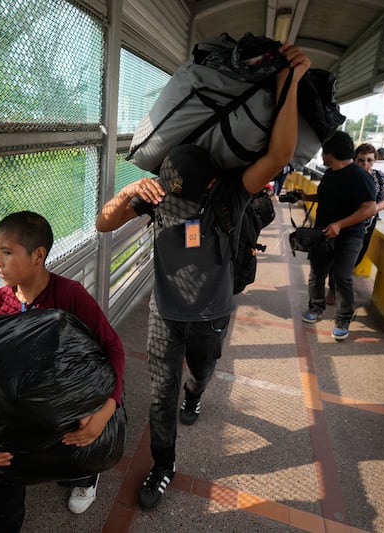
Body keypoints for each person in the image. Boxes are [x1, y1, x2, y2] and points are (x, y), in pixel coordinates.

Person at [95, 44, 311, 510]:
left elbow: (279, 155)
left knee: (203, 370)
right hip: (164, 312)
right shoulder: (159, 194)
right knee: (159, 393)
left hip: (212, 312)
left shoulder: (230, 193)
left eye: (187, 203)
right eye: (174, 201)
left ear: (211, 187)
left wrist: (289, 84)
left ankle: (196, 393)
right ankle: (163, 464)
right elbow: (103, 223)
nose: (178, 210)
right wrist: (130, 190)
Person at [0, 211, 126, 532]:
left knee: (79, 441)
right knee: (5, 470)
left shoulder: (69, 296)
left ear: (38, 255)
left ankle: (85, 477)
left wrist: (107, 408)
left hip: (64, 401)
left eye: (7, 252)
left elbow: (113, 349)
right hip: (21, 406)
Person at [296, 132, 376, 340]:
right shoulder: (331, 173)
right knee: (317, 272)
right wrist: (306, 196)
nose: (322, 156)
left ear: (331, 153)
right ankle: (315, 307)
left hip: (350, 235)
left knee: (342, 275)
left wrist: (340, 224)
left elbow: (369, 208)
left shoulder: (360, 176)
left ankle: (343, 317)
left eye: (324, 151)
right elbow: (325, 197)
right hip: (324, 233)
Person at [325, 143, 384, 304]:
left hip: (367, 226)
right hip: (346, 224)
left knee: (356, 258)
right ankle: (333, 287)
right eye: (361, 160)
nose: (365, 164)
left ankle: (337, 283)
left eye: (369, 160)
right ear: (355, 159)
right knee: (338, 257)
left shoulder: (379, 177)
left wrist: (372, 209)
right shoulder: (347, 175)